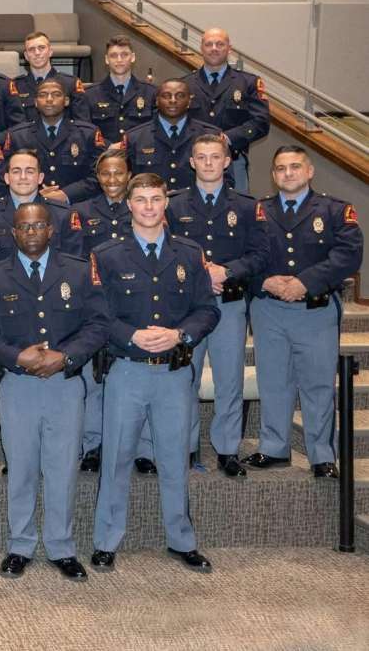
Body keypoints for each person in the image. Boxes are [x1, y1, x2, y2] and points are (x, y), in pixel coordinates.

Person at [0, 203, 108, 582]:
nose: (31, 232)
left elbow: (98, 324)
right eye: (23, 227)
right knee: (23, 469)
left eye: (38, 226)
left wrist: (67, 357)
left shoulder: (79, 272)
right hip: (18, 385)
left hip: (65, 384)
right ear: (14, 233)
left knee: (63, 468)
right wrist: (17, 357)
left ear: (51, 230)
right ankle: (20, 545)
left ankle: (62, 546)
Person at [89, 174, 219, 575]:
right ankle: (106, 541)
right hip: (127, 370)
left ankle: (182, 540)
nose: (148, 206)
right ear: (128, 204)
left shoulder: (188, 252)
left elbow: (208, 311)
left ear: (167, 203)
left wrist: (179, 334)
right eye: (141, 199)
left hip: (174, 373)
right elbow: (96, 316)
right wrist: (132, 336)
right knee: (116, 458)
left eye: (156, 199)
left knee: (174, 458)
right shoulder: (107, 254)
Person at [245, 146, 362, 478]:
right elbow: (243, 254)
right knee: (273, 381)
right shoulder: (257, 212)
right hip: (269, 309)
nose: (288, 173)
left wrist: (305, 283)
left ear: (310, 171)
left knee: (319, 384)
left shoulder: (337, 210)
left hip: (316, 310)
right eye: (280, 168)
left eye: (295, 166)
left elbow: (348, 255)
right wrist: (264, 281)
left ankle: (322, 455)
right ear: (273, 174)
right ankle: (274, 448)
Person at [156, 134, 267, 477]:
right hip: (187, 308)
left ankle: (227, 449)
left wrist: (228, 271)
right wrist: (201, 276)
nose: (207, 163)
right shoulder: (173, 206)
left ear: (226, 161)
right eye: (201, 157)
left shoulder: (247, 206)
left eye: (214, 157)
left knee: (229, 379)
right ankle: (185, 447)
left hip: (229, 304)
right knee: (183, 379)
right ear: (191, 162)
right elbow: (164, 254)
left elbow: (260, 255)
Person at [71, 148, 133, 471]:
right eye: (106, 173)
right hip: (92, 308)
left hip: (130, 307)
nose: (112, 179)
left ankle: (134, 447)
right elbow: (74, 261)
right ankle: (92, 445)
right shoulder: (80, 212)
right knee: (92, 381)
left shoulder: (140, 209)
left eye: (118, 173)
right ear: (98, 177)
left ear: (129, 176)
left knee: (131, 380)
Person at [183, 28, 268, 191]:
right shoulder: (186, 84)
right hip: (196, 162)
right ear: (201, 48)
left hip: (233, 160)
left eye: (220, 44)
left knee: (237, 212)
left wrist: (227, 138)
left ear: (230, 48)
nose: (214, 48)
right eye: (209, 44)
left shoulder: (248, 83)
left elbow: (261, 122)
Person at [3, 78, 105, 204]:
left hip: (76, 207)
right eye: (43, 95)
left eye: (56, 94)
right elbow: (5, 175)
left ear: (66, 101)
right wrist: (34, 194)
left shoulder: (87, 134)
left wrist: (66, 194)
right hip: (30, 207)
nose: (49, 99)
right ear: (35, 102)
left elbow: (100, 175)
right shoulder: (18, 136)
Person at [0, 149, 83, 266]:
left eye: (30, 172)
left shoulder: (63, 214)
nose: (23, 177)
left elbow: (72, 264)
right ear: (6, 178)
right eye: (16, 171)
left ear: (40, 178)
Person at [122, 77, 225, 193]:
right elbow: (127, 183)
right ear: (156, 100)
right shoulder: (135, 137)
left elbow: (226, 182)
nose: (173, 100)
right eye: (166, 96)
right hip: (150, 208)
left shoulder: (210, 135)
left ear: (189, 101)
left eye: (180, 96)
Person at [74, 35, 154, 146]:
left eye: (124, 55)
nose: (119, 60)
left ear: (133, 57)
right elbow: (85, 130)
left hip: (139, 157)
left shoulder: (150, 92)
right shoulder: (89, 94)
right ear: (107, 59)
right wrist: (108, 146)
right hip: (104, 156)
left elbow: (154, 130)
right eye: (114, 55)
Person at [7, 31, 83, 126]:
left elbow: (81, 123)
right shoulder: (15, 85)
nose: (37, 53)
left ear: (50, 52)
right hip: (27, 139)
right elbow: (14, 123)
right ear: (26, 56)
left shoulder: (71, 83)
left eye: (41, 48)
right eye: (31, 49)